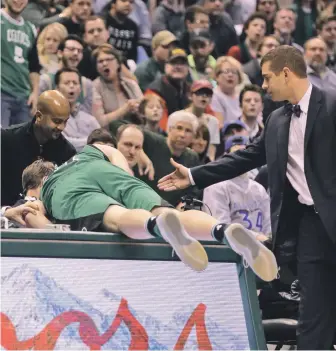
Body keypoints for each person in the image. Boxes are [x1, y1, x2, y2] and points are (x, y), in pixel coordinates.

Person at [158, 45, 336, 350]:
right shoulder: (278, 119)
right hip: (309, 227)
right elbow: (247, 157)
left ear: (286, 72)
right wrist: (193, 175)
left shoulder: (332, 105)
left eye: (267, 78)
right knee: (313, 313)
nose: (263, 86)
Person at [40, 139, 278, 279]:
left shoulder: (46, 188)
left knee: (117, 215)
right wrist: (127, 184)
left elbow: (40, 222)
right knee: (170, 213)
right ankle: (220, 230)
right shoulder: (89, 151)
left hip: (70, 192)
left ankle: (153, 226)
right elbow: (117, 159)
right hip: (105, 170)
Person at [1, 90, 76, 206]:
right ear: (39, 116)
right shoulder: (7, 140)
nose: (62, 127)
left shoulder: (68, 152)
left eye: (65, 122)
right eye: (57, 121)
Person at [203, 135, 271, 239]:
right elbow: (221, 230)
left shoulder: (259, 189)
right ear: (226, 157)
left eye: (244, 153)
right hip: (229, 250)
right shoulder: (216, 187)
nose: (241, 160)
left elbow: (269, 227)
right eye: (236, 154)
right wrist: (257, 238)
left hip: (259, 249)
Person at [1, 0, 41, 127]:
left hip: (24, 97)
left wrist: (35, 93)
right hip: (2, 92)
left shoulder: (30, 29)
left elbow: (34, 67)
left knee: (21, 144)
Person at [55, 67, 100, 151]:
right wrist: (93, 142)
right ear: (57, 89)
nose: (71, 86)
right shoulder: (53, 119)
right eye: (67, 83)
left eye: (75, 83)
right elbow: (63, 143)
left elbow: (102, 140)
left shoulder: (90, 120)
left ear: (80, 89)